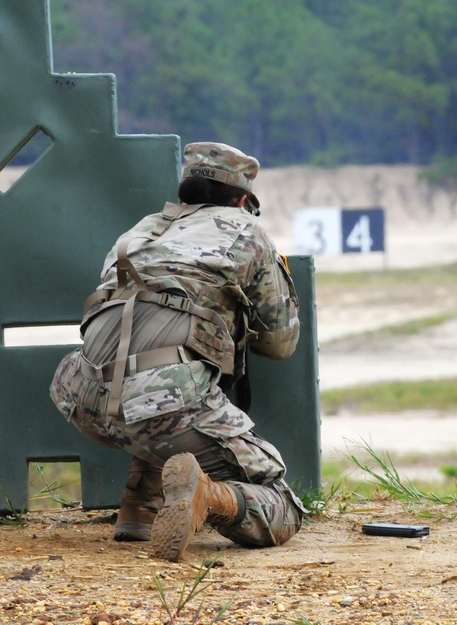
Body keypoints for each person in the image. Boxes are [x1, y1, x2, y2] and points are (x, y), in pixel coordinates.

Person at [50, 142, 305, 562]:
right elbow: (279, 345)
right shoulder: (247, 231)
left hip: (79, 398)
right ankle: (209, 495)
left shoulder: (138, 232)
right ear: (243, 200)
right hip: (163, 407)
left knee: (156, 389)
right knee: (282, 504)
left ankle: (140, 504)